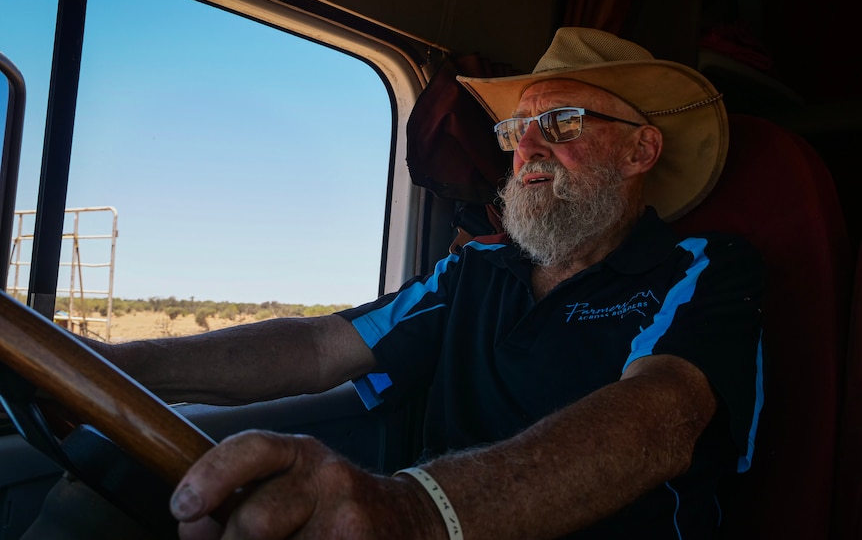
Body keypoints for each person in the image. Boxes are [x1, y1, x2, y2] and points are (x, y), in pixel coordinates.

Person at [97, 27, 766, 539]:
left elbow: (658, 418)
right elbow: (323, 347)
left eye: (559, 123)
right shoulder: (474, 268)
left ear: (639, 151)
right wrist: (120, 364)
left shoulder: (701, 266)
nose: (526, 148)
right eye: (515, 129)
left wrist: (418, 510)